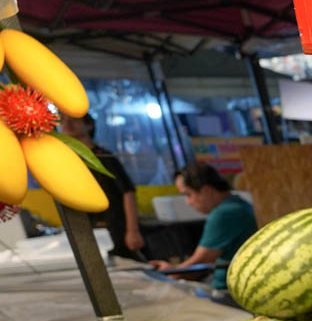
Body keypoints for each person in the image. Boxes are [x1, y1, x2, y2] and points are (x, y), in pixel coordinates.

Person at [149, 162, 258, 298]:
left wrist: (169, 272)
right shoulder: (237, 204)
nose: (188, 202)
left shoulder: (224, 214)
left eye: (188, 194)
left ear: (206, 190)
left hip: (230, 292)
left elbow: (199, 264)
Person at [59, 113, 143, 260]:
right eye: (63, 120)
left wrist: (133, 230)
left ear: (89, 125)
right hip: (87, 228)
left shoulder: (104, 157)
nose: (67, 124)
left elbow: (128, 193)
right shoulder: (65, 160)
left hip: (115, 227)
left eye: (73, 119)